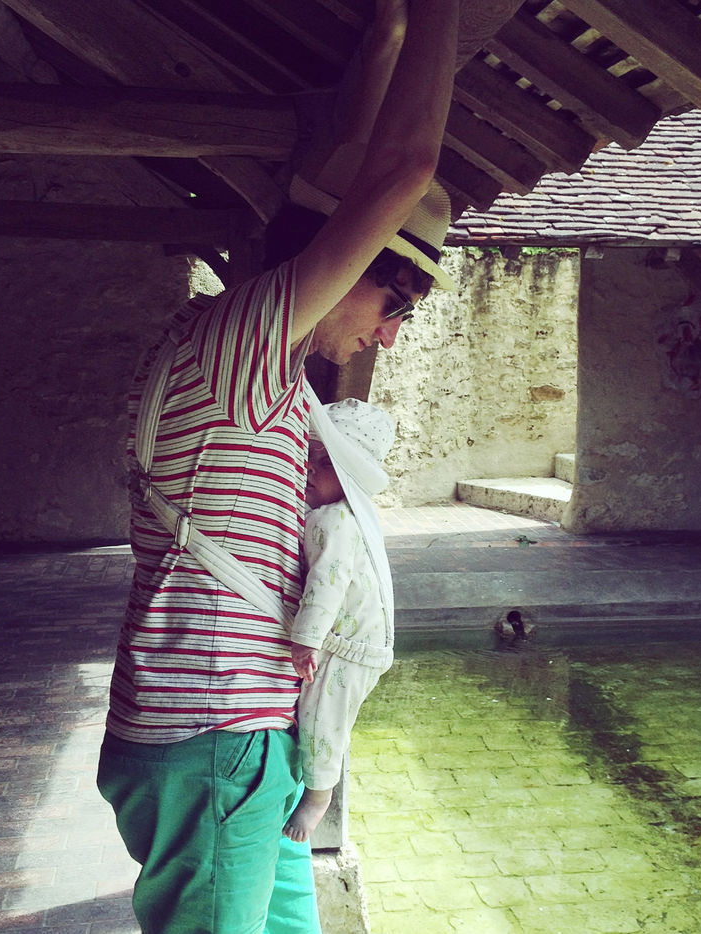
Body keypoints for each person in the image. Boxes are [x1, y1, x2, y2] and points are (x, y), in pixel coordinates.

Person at [95, 1, 459, 932]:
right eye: (394, 302)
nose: (388, 333)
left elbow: (322, 192)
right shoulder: (238, 348)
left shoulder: (242, 361)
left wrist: (383, 43)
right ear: (345, 264)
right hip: (212, 734)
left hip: (244, 737)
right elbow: (401, 172)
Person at [282, 399, 397, 843]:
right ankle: (316, 784)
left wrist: (306, 640)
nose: (310, 468)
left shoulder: (334, 520)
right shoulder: (350, 517)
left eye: (326, 462)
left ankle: (318, 797)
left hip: (350, 647)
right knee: (326, 716)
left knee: (321, 720)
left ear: (352, 476)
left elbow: (326, 584)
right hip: (358, 643)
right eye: (308, 456)